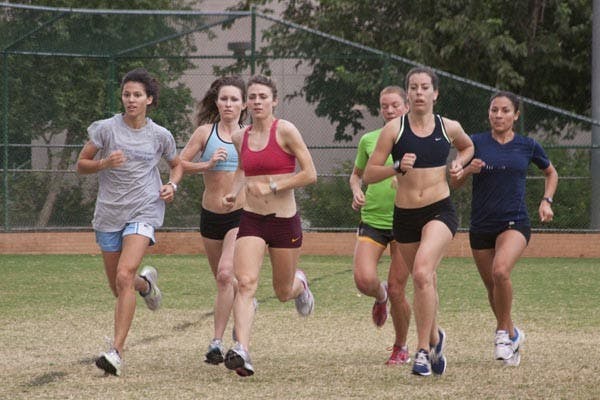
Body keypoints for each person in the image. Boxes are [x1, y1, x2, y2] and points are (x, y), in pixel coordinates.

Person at [363, 66, 474, 377]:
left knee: (423, 272)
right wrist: (396, 167)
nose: (420, 92)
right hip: (405, 217)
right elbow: (370, 174)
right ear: (408, 94)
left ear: (435, 93)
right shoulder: (394, 130)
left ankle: (422, 350)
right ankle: (437, 338)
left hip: (439, 210)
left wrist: (459, 164)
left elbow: (467, 146)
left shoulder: (449, 126)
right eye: (414, 87)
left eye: (425, 87)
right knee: (425, 281)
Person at [76, 68, 182, 376]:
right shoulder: (106, 130)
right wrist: (104, 163)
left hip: (144, 210)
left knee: (124, 274)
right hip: (109, 214)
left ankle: (116, 353)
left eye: (137, 95)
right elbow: (81, 165)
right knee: (120, 285)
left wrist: (171, 186)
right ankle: (146, 285)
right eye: (126, 95)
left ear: (149, 99)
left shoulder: (160, 135)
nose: (131, 100)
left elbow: (176, 166)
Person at [450, 91, 558, 366]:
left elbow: (550, 172)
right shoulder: (474, 142)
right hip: (481, 225)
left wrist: (546, 200)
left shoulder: (528, 145)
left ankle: (501, 335)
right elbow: (455, 182)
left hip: (515, 221)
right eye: (494, 110)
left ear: (516, 115)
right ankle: (513, 334)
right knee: (492, 288)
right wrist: (467, 172)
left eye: (505, 110)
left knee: (500, 271)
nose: (498, 115)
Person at [221, 74, 317, 377]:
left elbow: (310, 173)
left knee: (282, 291)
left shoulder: (286, 131)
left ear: (274, 100)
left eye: (263, 96)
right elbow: (242, 169)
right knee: (246, 283)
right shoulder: (241, 136)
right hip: (251, 219)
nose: (257, 102)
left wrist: (273, 185)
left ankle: (300, 286)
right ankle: (242, 351)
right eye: (252, 97)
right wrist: (234, 192)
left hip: (284, 221)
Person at [179, 75, 247, 365]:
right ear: (216, 102)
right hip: (210, 216)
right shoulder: (205, 133)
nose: (228, 104)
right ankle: (244, 307)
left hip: (240, 215)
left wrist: (241, 190)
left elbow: (260, 171)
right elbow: (180, 164)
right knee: (224, 282)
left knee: (224, 274)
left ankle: (216, 343)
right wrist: (206, 164)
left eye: (234, 99)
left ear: (244, 104)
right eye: (224, 99)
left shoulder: (249, 134)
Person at [349, 86, 412, 365]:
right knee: (363, 280)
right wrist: (356, 191)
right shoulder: (369, 140)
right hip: (373, 219)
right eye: (384, 106)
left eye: (395, 105)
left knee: (400, 289)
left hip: (407, 222)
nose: (389, 110)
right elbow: (356, 176)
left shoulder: (418, 139)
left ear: (406, 106)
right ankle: (380, 294)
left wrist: (407, 182)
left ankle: (400, 346)